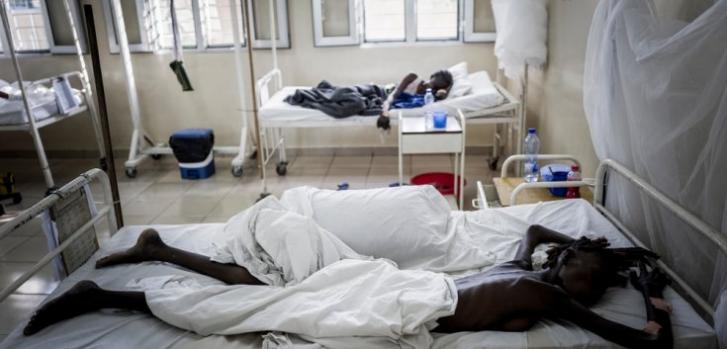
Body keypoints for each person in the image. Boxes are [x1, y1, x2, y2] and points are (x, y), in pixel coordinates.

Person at [22, 225, 672, 349]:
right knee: (260, 293)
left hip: (401, 305)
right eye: (577, 259)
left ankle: (139, 273)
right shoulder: (535, 268)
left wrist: (648, 290)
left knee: (252, 303)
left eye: (583, 268)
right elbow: (533, 228)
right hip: (390, 286)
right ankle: (150, 258)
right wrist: (588, 252)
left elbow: (643, 340)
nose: (572, 269)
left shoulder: (552, 296)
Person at [376, 70, 454, 131]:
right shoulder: (412, 77)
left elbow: (442, 97)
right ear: (431, 77)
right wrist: (385, 112)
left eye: (435, 88)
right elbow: (393, 96)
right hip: (386, 92)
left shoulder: (430, 96)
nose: (428, 88)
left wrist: (447, 88)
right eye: (431, 84)